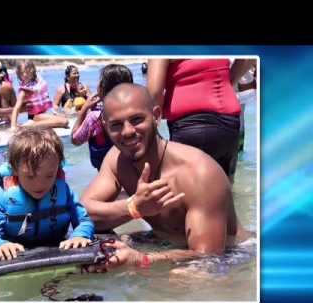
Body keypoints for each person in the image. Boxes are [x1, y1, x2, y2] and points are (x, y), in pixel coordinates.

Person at [80, 84, 252, 271]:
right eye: (116, 125)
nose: (127, 131)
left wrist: (142, 259)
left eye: (137, 119)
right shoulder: (116, 160)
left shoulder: (198, 173)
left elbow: (207, 256)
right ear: (105, 127)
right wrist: (133, 207)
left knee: (188, 279)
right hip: (166, 242)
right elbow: (82, 213)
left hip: (232, 255)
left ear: (156, 115)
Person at [0, 127, 95, 260]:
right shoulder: (3, 197)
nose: (39, 184)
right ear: (14, 170)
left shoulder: (64, 191)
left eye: (49, 175)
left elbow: (84, 221)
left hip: (56, 242)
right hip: (17, 247)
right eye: (30, 176)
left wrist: (80, 235)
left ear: (58, 168)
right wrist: (0, 245)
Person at [147, 58, 252, 182]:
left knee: (188, 194)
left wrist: (153, 127)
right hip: (228, 120)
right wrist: (228, 82)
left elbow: (154, 93)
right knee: (226, 191)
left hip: (188, 124)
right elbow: (246, 58)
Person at [71, 64, 133, 171]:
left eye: (100, 81)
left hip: (106, 171)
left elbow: (75, 140)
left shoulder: (95, 117)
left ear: (102, 89)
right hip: (131, 167)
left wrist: (84, 109)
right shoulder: (135, 111)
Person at [10, 61, 68, 130]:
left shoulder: (38, 81)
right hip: (36, 116)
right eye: (22, 73)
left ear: (32, 70)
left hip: (46, 112)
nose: (25, 74)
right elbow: (16, 108)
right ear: (19, 75)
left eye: (27, 71)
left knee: (64, 117)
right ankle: (25, 127)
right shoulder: (24, 90)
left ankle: (33, 124)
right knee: (64, 121)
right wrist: (13, 126)